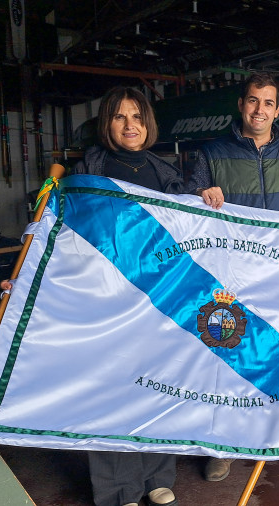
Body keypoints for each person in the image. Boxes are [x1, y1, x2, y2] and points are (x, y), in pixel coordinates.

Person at [187, 71, 279, 482]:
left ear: (278, 110)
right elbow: (185, 210)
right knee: (224, 359)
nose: (259, 110)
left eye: (268, 103)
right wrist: (199, 196)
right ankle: (223, 445)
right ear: (241, 104)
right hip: (228, 277)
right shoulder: (210, 153)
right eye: (252, 101)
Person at [72, 86, 183, 506]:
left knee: (163, 384)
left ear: (148, 123)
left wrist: (205, 201)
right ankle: (120, 489)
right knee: (112, 390)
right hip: (108, 299)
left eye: (137, 116)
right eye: (120, 117)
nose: (130, 125)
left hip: (159, 300)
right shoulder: (86, 174)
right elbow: (61, 237)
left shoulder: (167, 173)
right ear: (108, 124)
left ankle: (157, 474)